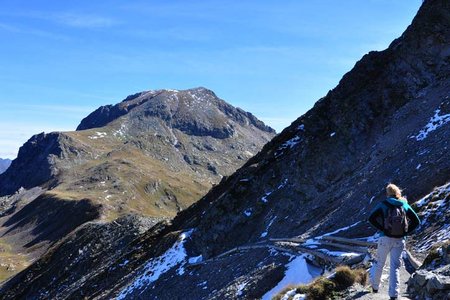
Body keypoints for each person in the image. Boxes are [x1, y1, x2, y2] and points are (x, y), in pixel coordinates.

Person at [368, 183, 420, 300]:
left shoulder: (383, 204)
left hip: (384, 238)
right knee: (395, 266)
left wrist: (383, 229)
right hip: (400, 240)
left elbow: (371, 218)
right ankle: (393, 294)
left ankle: (375, 287)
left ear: (387, 193)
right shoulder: (404, 204)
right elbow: (416, 221)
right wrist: (405, 232)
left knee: (380, 263)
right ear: (398, 193)